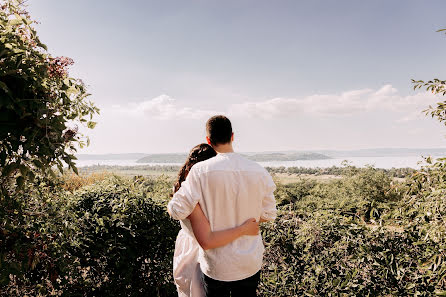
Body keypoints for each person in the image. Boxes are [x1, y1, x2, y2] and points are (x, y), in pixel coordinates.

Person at [168, 115, 277, 297]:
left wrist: (198, 204)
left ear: (209, 140)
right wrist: (245, 220)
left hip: (217, 265)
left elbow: (176, 210)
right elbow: (268, 214)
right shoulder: (258, 170)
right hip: (249, 261)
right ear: (232, 136)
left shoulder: (200, 171)